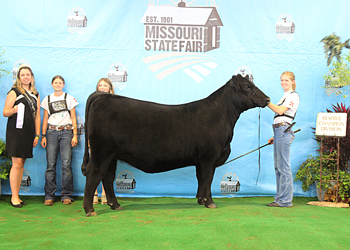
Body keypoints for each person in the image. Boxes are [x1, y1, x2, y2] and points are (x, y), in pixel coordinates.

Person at [3, 65, 41, 208]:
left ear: (31, 77)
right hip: (16, 132)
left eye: (28, 74)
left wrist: (37, 135)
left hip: (28, 132)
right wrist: (14, 109)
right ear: (19, 78)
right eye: (23, 75)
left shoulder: (35, 94)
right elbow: (5, 112)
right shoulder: (14, 92)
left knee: (22, 163)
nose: (26, 77)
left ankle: (17, 195)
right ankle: (14, 197)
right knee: (17, 163)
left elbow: (37, 116)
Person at [40, 75, 78, 206]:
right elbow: (45, 119)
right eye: (55, 83)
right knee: (50, 165)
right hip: (51, 132)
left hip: (67, 132)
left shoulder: (69, 98)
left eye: (60, 83)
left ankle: (66, 194)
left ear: (63, 84)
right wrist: (43, 135)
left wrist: (75, 134)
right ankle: (49, 195)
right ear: (52, 84)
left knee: (66, 165)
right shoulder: (47, 99)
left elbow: (73, 116)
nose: (57, 85)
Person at [266, 71, 299, 207]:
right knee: (278, 166)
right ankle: (279, 199)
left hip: (283, 130)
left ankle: (285, 200)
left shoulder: (293, 95)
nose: (283, 83)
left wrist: (266, 102)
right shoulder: (284, 96)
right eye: (281, 80)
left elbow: (280, 111)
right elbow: (281, 115)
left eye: (286, 80)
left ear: (292, 81)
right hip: (279, 131)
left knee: (283, 166)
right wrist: (275, 136)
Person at [92, 78, 115, 205]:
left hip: (112, 141)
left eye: (105, 86)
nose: (102, 88)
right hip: (99, 139)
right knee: (96, 166)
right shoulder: (94, 103)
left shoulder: (117, 103)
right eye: (100, 85)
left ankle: (105, 194)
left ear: (110, 88)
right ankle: (94, 193)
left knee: (109, 168)